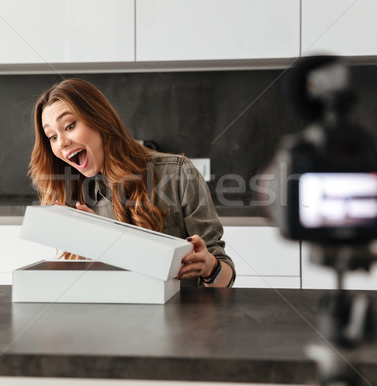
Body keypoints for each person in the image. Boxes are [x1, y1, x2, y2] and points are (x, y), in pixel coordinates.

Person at [28, 78, 235, 288]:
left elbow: (224, 279)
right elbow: (98, 287)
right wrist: (95, 240)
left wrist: (211, 267)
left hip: (181, 316)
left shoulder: (178, 174)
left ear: (100, 119)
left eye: (70, 126)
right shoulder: (75, 197)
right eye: (52, 136)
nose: (62, 142)